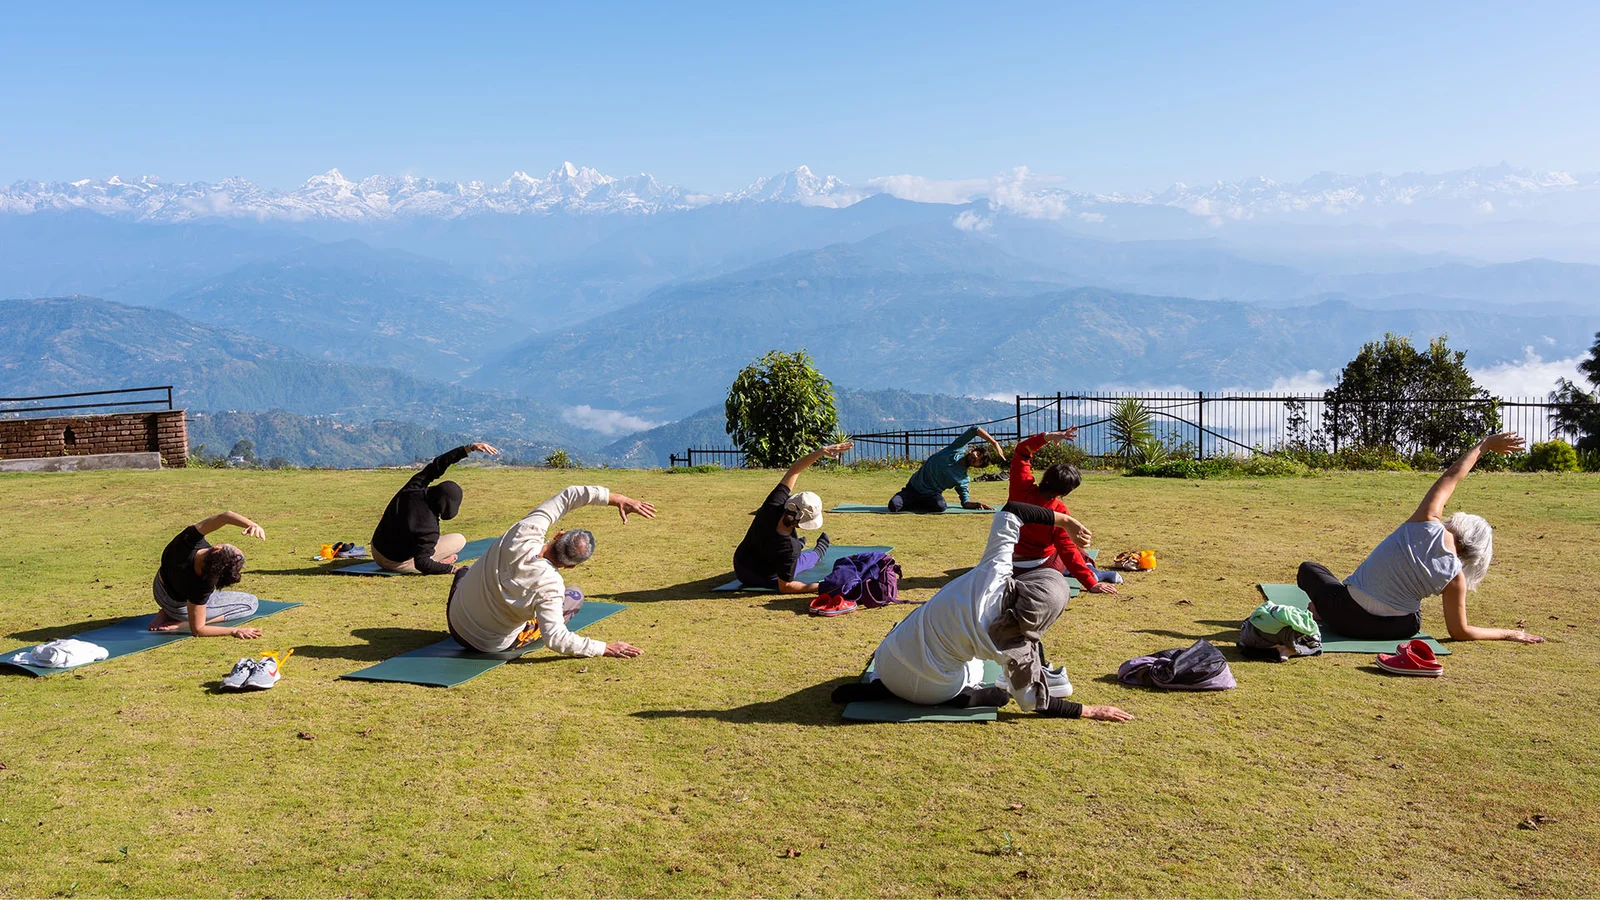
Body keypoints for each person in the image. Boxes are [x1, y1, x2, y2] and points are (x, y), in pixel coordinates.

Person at [848, 500, 1133, 721]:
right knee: (977, 669)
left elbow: (1012, 510)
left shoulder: (994, 571)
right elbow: (1033, 702)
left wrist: (1066, 521)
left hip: (887, 664)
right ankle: (965, 695)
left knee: (918, 619)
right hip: (934, 691)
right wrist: (1088, 710)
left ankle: (882, 686)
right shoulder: (1017, 647)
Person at [1297, 432, 1545, 644]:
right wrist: (1508, 633)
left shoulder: (1427, 521)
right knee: (1413, 617)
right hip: (1395, 629)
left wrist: (1485, 444)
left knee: (1310, 569)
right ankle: (1327, 609)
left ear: (1458, 523)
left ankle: (1323, 610)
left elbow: (1452, 476)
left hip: (1345, 617)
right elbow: (1460, 631)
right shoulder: (1455, 577)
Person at [447, 484, 656, 658]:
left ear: (558, 535)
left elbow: (570, 495)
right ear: (571, 566)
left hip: (455, 620)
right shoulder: (551, 587)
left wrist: (619, 499)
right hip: (487, 645)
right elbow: (556, 638)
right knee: (574, 596)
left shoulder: (524, 532)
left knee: (465, 571)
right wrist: (604, 647)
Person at [732, 442, 853, 593]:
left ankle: (803, 544)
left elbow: (794, 470)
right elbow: (786, 586)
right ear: (802, 522)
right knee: (801, 561)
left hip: (740, 564)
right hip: (760, 578)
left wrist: (821, 451)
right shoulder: (789, 548)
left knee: (791, 554)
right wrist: (824, 586)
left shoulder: (774, 503)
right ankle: (819, 551)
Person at [1009, 428, 1118, 594]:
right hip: (1040, 567)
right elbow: (1067, 552)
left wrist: (1048, 437)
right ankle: (1094, 572)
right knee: (1076, 548)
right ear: (1064, 492)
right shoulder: (1059, 512)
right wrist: (1090, 583)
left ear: (1046, 477)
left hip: (1011, 564)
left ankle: (1084, 570)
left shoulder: (1020, 488)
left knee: (1070, 545)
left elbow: (1021, 451)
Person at [371, 442, 498, 574]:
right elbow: (422, 563)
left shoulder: (413, 488)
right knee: (459, 540)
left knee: (420, 540)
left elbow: (437, 465)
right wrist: (452, 569)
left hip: (377, 548)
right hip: (394, 563)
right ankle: (436, 561)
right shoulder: (429, 529)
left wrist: (469, 448)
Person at [149, 511, 268, 638]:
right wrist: (234, 630)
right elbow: (198, 630)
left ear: (217, 548)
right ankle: (180, 621)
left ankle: (168, 612)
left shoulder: (187, 541)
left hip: (159, 588)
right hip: (178, 608)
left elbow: (224, 516)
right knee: (250, 603)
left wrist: (251, 524)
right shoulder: (204, 581)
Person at [887, 426, 1006, 512]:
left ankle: (918, 504)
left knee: (940, 506)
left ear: (977, 466)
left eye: (979, 461)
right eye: (978, 454)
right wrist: (994, 443)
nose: (976, 458)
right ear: (973, 450)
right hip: (912, 489)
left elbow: (965, 502)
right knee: (893, 505)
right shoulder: (955, 449)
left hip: (931, 495)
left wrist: (977, 504)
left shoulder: (963, 478)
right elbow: (974, 430)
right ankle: (913, 502)